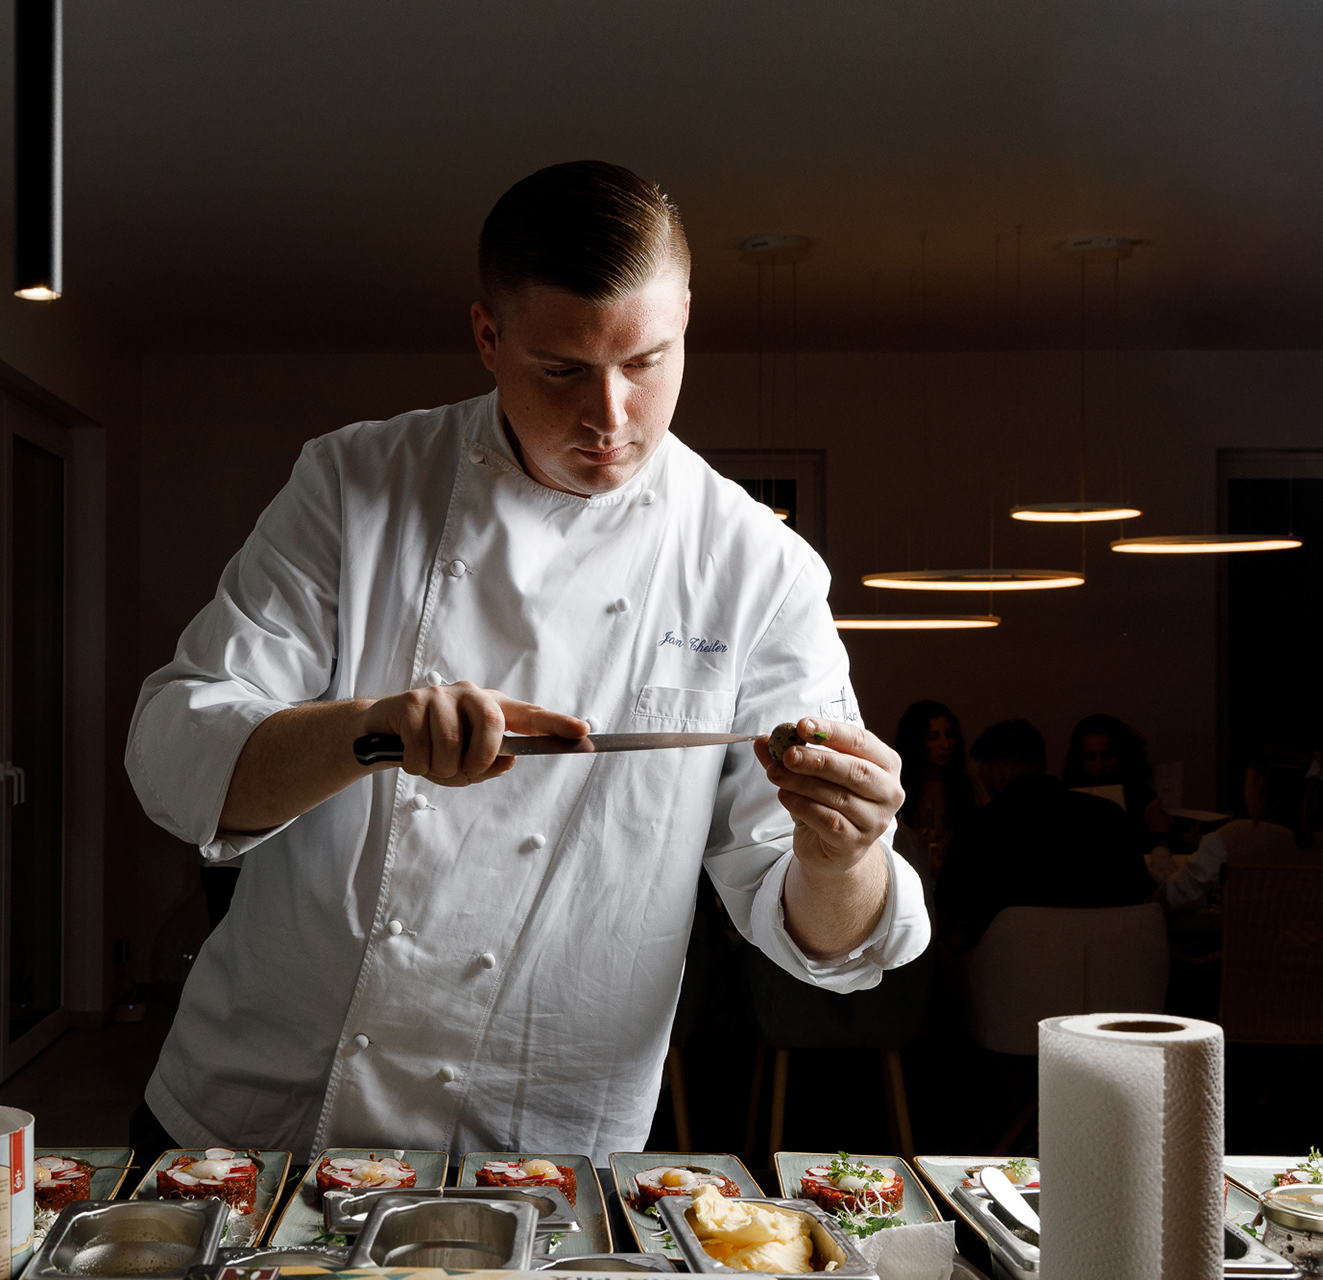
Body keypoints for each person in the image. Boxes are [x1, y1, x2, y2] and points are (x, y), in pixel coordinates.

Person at [124, 161, 928, 1160]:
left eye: (646, 362)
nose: (610, 417)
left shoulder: (757, 568)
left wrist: (843, 853)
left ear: (685, 318)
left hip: (540, 1145)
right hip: (253, 1115)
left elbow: (826, 941)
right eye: (561, 370)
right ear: (487, 337)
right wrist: (374, 732)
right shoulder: (356, 481)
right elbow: (177, 751)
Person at [936, 720, 1153, 949]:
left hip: (1010, 963)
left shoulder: (978, 828)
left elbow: (953, 912)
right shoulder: (1109, 815)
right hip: (1107, 957)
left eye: (983, 775)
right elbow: (1139, 895)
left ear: (997, 772)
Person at [1150, 743, 1323, 911]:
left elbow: (1170, 898)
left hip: (1241, 954)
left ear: (1260, 782)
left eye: (1247, 780)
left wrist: (1161, 840)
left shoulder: (1235, 839)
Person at [891, 700, 972, 889]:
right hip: (909, 879)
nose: (945, 744)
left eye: (950, 735)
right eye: (933, 737)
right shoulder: (897, 788)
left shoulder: (970, 789)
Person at [1062, 713, 1170, 852]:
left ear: (1123, 755)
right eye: (1089, 757)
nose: (1099, 766)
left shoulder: (1143, 799)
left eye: (1108, 756)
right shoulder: (1065, 797)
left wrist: (1160, 832)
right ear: (1078, 759)